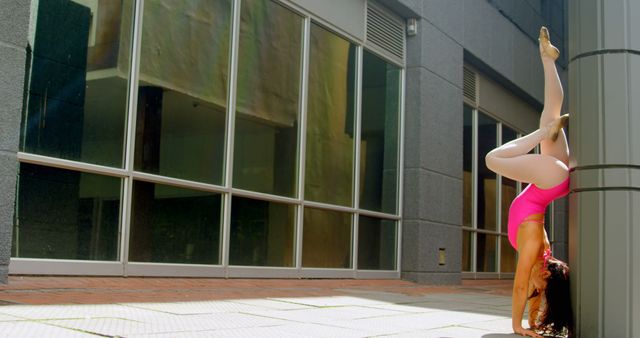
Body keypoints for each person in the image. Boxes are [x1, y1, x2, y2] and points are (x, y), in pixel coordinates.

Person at [485, 27, 573, 338]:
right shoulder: (536, 246)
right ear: (547, 276)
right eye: (545, 289)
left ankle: (548, 59)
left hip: (555, 182)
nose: (539, 291)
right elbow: (522, 283)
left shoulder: (542, 254)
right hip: (550, 183)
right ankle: (542, 134)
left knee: (550, 112)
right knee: (493, 160)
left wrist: (534, 319)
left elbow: (532, 289)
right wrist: (516, 326)